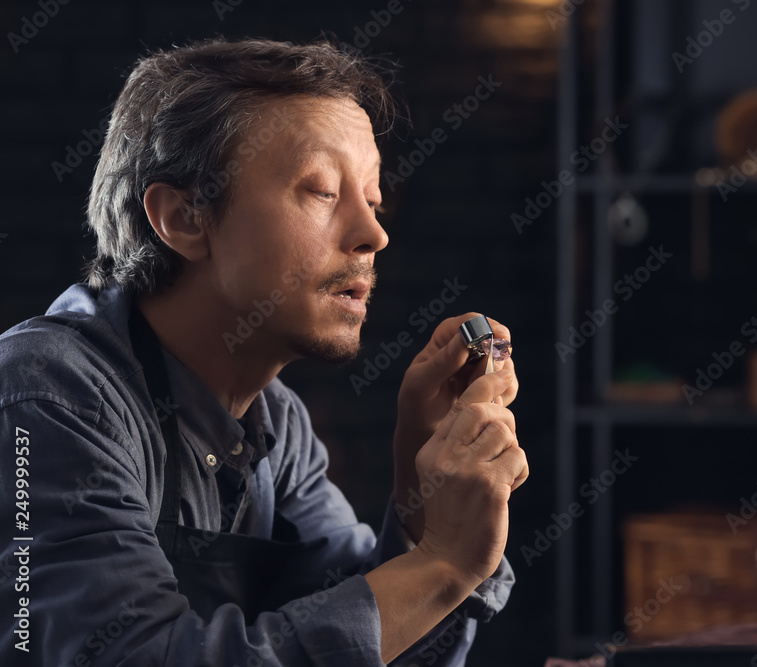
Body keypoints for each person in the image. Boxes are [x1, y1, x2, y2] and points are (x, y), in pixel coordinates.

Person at [0, 37, 528, 666]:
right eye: (323, 191)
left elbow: (379, 647)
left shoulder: (276, 422)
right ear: (185, 218)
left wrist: (420, 477)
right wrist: (442, 563)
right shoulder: (45, 397)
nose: (374, 234)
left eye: (373, 199)